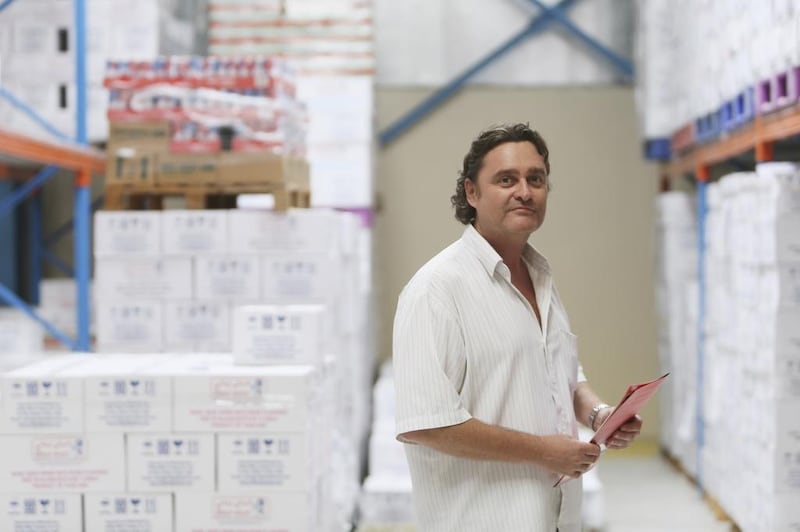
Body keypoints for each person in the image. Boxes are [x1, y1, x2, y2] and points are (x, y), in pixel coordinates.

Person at [392, 123, 642, 532]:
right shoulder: (435, 290)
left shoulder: (539, 276)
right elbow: (426, 422)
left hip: (555, 516)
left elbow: (562, 373)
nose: (525, 191)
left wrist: (599, 414)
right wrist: (544, 451)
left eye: (536, 179)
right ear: (472, 192)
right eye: (506, 179)